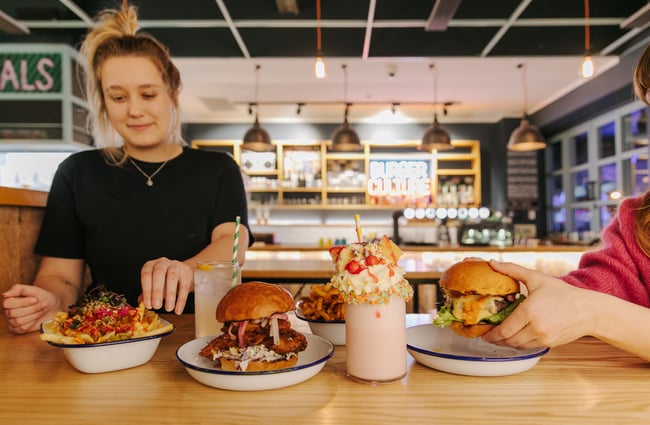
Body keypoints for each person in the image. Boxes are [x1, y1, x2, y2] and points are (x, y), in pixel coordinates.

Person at [2, 5, 252, 334]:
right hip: (105, 339)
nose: (135, 110)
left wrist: (187, 271)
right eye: (118, 97)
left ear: (173, 92)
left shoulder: (218, 169)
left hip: (198, 338)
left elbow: (232, 242)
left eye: (148, 94)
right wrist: (47, 302)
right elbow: (61, 278)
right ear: (104, 103)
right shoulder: (77, 173)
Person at [482, 45, 650, 361]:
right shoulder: (637, 220)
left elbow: (588, 306)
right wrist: (543, 298)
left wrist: (593, 313)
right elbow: (591, 291)